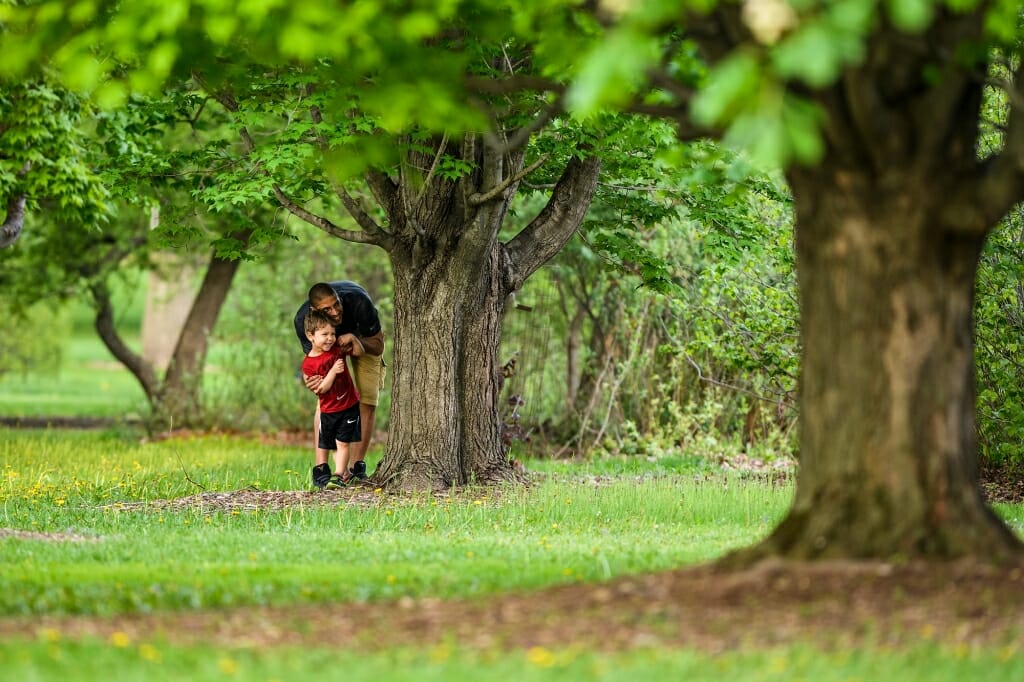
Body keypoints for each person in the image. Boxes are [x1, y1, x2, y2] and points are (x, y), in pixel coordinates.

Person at [294, 281, 386, 484]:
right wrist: (312, 380)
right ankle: (323, 468)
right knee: (326, 402)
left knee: (368, 398)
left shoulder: (359, 302)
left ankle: (355, 469)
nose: (335, 312)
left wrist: (355, 339)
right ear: (314, 311)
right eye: (327, 309)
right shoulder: (304, 321)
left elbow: (378, 345)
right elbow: (313, 360)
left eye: (336, 304)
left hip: (363, 341)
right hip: (329, 348)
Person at [301, 310, 364, 489]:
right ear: (310, 336)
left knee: (343, 442)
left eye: (333, 333)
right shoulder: (308, 364)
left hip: (348, 404)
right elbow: (320, 389)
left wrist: (352, 338)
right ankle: (337, 474)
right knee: (332, 444)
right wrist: (333, 372)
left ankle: (338, 475)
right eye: (325, 334)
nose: (330, 338)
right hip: (328, 410)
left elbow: (360, 352)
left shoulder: (337, 349)